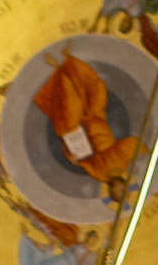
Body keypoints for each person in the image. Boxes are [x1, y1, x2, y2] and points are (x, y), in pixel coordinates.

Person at [33, 48, 139, 186]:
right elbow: (131, 144)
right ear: (123, 184)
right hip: (95, 119)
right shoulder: (122, 164)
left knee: (70, 104)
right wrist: (145, 150)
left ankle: (57, 68)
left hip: (79, 132)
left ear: (111, 190)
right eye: (120, 190)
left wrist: (74, 158)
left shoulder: (100, 175)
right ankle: (67, 61)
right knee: (98, 90)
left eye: (116, 192)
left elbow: (85, 162)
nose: (117, 188)